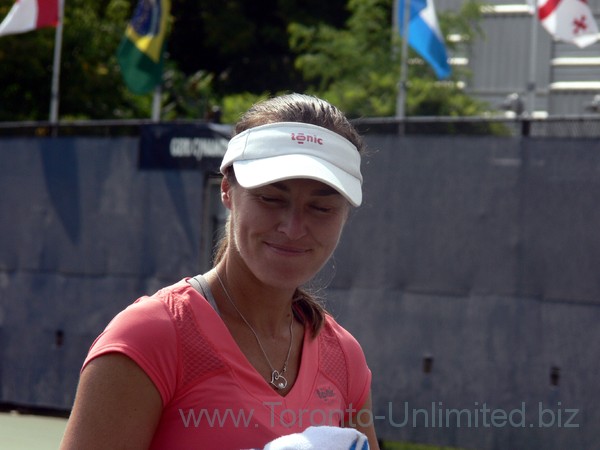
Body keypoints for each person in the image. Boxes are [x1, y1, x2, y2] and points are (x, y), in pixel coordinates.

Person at [60, 93, 379, 450]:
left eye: (321, 207)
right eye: (271, 198)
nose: (293, 227)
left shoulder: (345, 358)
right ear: (227, 190)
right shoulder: (150, 337)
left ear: (345, 215)